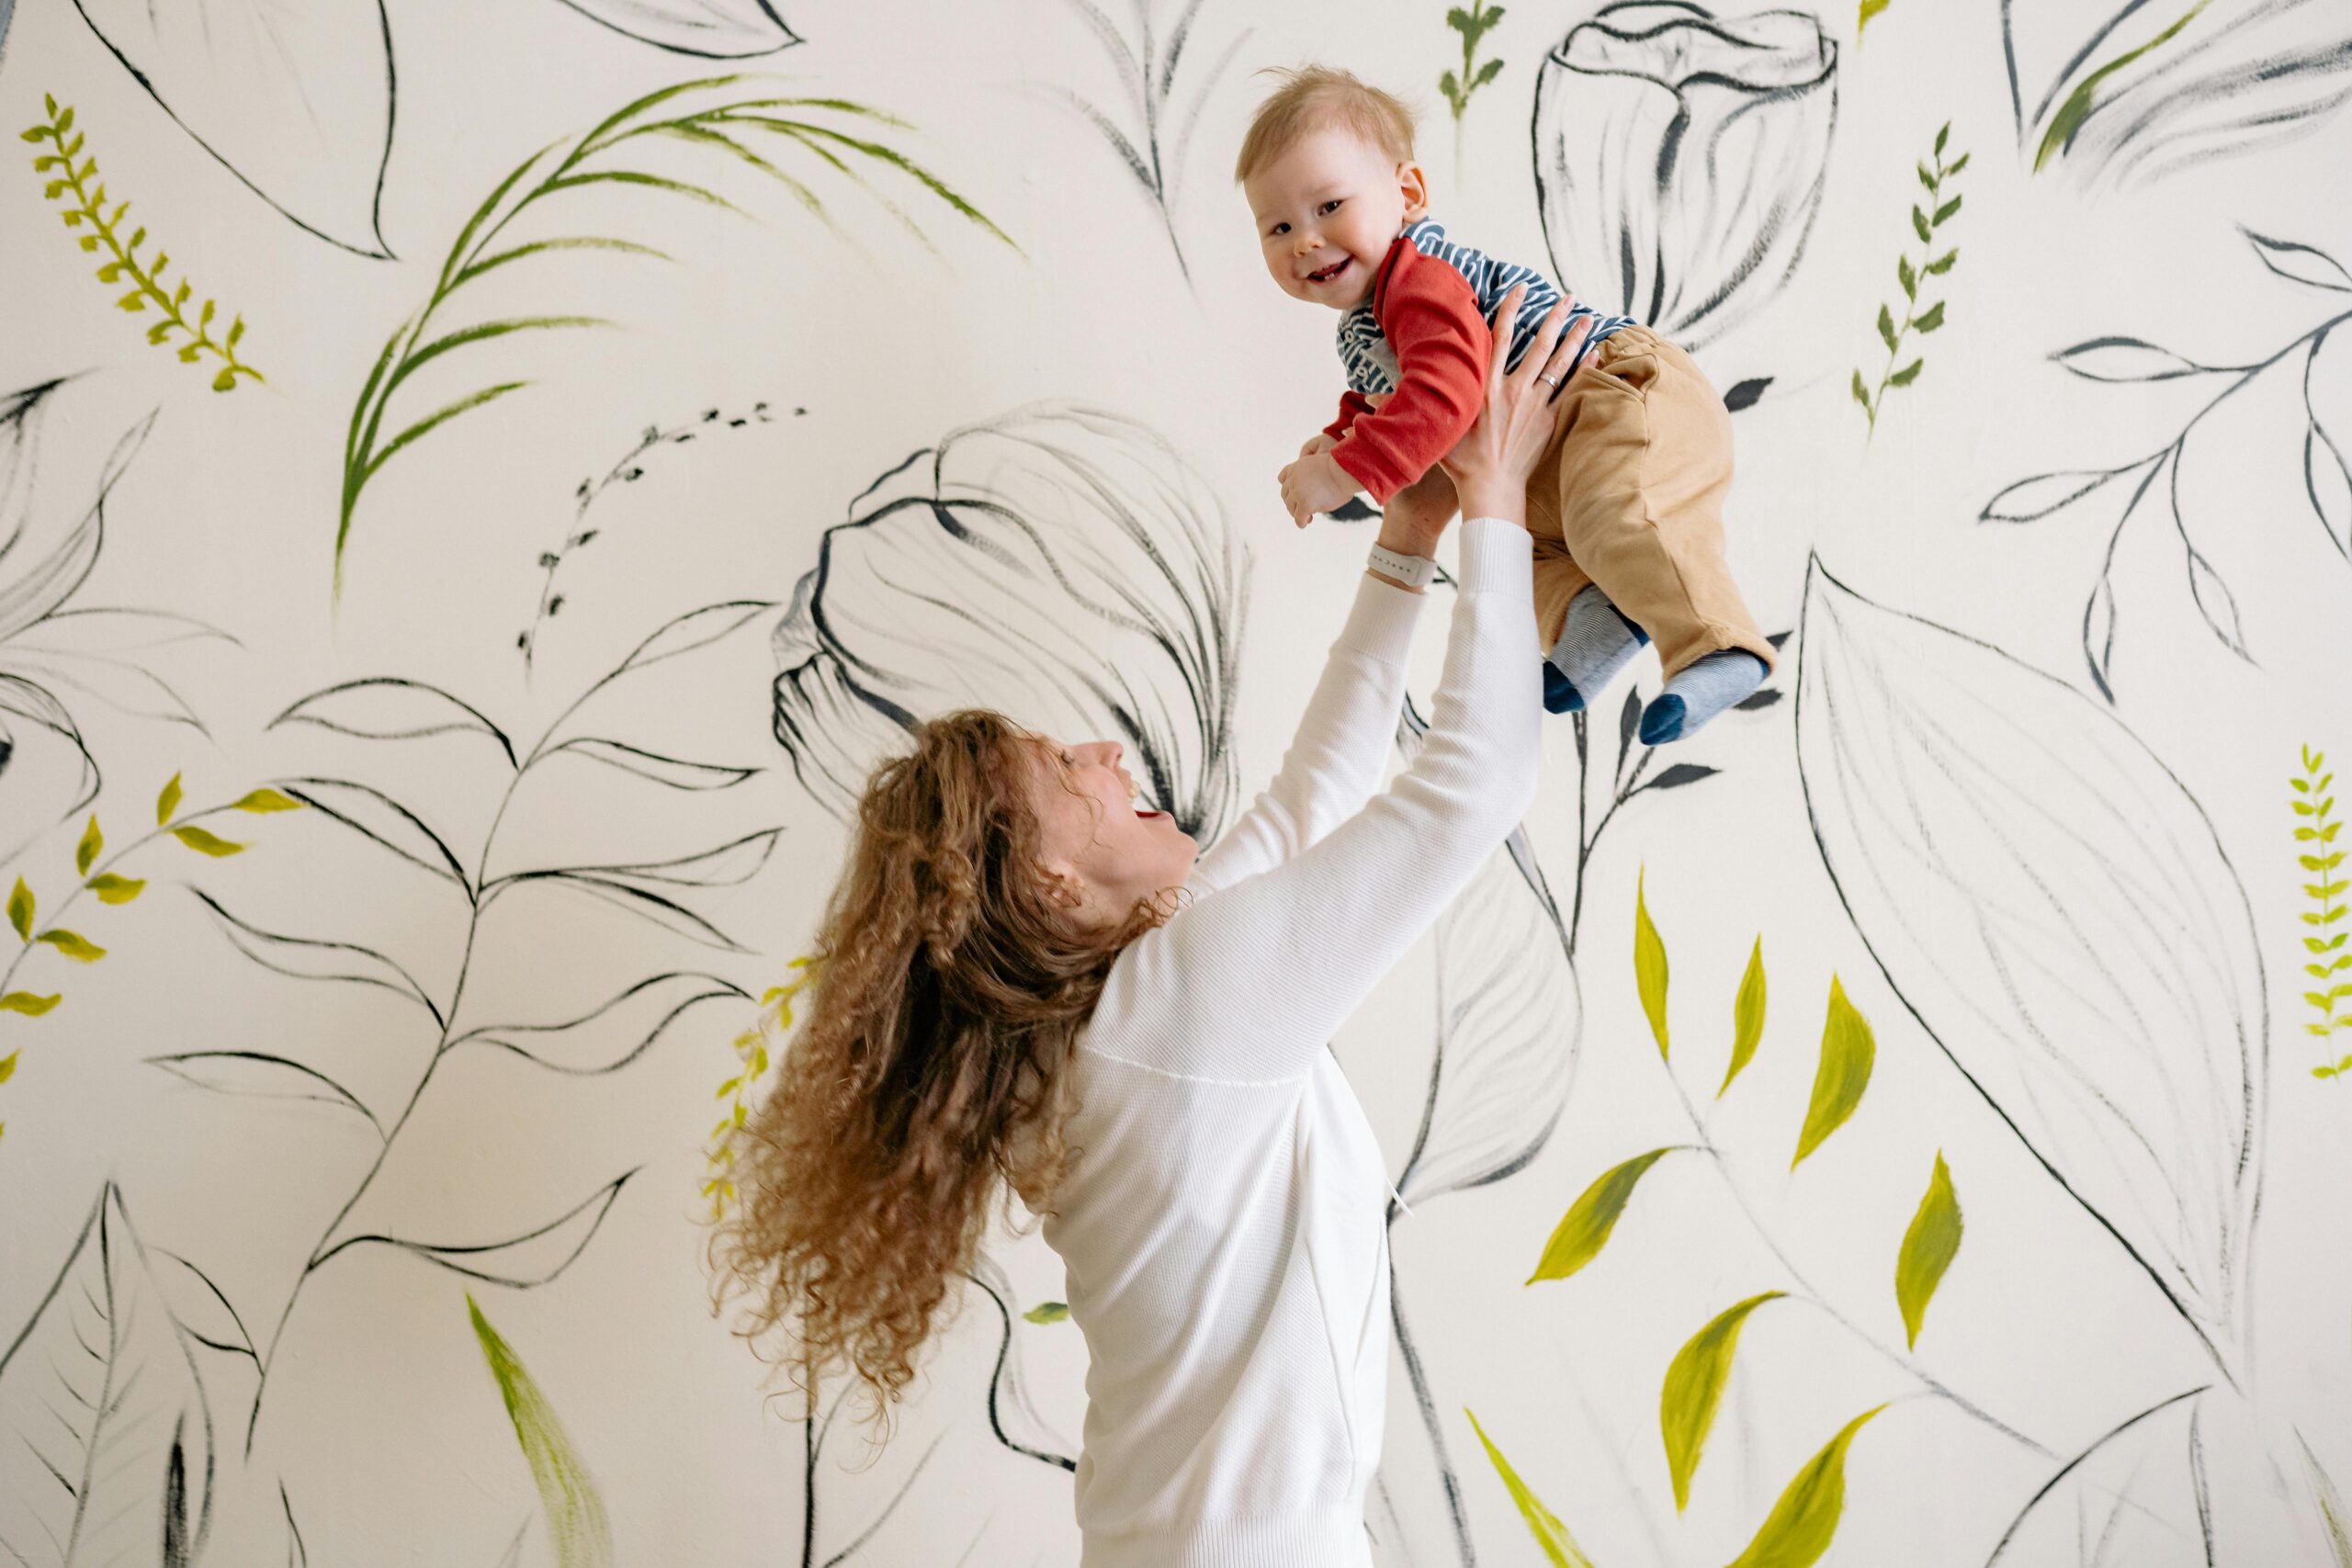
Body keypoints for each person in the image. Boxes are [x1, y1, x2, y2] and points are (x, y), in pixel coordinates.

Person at [707, 288, 1584, 1567]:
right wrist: (1496, 505)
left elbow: (1310, 796)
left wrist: (1412, 531)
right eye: (1070, 765)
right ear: (1051, 887)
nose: (1110, 749)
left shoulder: (1117, 1032)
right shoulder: (1170, 1016)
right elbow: (1474, 786)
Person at [1242, 64, 1778, 745]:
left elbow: (1444, 390)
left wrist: (1343, 472)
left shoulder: (1420, 280)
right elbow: (1388, 397)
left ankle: (1717, 645)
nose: (1306, 241)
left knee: (1618, 516)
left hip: (1615, 393)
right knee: (1520, 551)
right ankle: (1597, 623)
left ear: (1407, 193)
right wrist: (1339, 438)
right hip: (1548, 452)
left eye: (1328, 207)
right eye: (1278, 226)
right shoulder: (1367, 322)